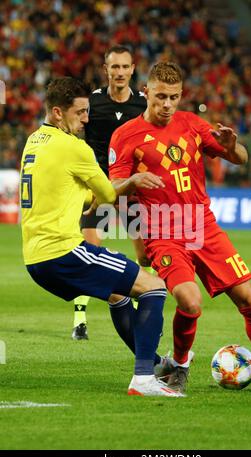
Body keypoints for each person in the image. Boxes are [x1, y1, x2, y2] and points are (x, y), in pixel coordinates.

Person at [108, 62, 251, 395]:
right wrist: (133, 181)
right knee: (190, 301)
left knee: (249, 298)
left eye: (175, 97)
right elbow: (111, 189)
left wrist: (229, 146)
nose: (168, 104)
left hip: (203, 226)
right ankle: (180, 366)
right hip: (162, 234)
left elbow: (240, 158)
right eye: (161, 97)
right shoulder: (126, 135)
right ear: (146, 93)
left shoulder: (192, 124)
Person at [20, 76, 183, 397]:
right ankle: (144, 378)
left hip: (34, 259)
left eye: (87, 111)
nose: (86, 119)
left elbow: (66, 191)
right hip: (63, 251)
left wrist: (86, 195)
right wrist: (134, 179)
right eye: (79, 113)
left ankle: (156, 364)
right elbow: (108, 193)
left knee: (118, 295)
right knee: (154, 287)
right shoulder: (75, 148)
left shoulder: (33, 141)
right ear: (57, 112)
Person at [73, 44, 149, 340]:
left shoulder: (143, 104)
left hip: (130, 189)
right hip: (98, 188)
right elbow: (75, 135)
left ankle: (147, 301)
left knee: (144, 256)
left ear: (132, 69)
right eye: (114, 67)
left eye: (124, 66)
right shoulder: (91, 103)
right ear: (106, 70)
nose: (119, 72)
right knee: (89, 252)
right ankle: (80, 320)